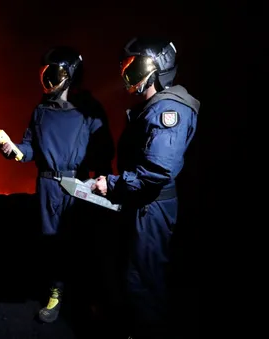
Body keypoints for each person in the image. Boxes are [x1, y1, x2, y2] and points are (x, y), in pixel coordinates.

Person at [91, 36, 200, 338]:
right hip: (142, 204)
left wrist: (112, 185)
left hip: (151, 208)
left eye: (133, 67)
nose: (127, 75)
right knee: (133, 270)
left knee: (144, 277)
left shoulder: (168, 110)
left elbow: (158, 169)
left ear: (155, 68)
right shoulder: (154, 106)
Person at [0, 46, 114, 323]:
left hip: (80, 184)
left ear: (70, 74)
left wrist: (104, 182)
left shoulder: (89, 110)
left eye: (53, 74)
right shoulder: (41, 111)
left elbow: (104, 150)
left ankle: (87, 297)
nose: (47, 81)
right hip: (48, 186)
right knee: (52, 244)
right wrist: (13, 149)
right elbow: (29, 149)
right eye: (44, 75)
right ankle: (56, 293)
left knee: (81, 241)